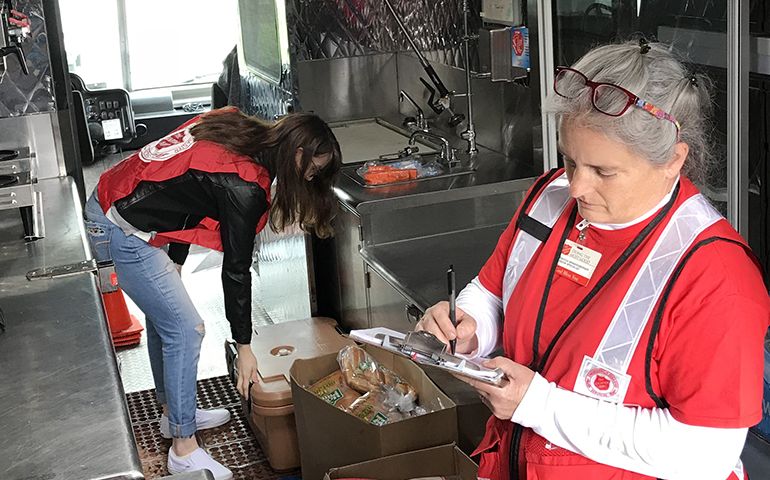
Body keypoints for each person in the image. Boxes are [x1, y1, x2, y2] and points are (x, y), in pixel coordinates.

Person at [417, 39, 770, 480]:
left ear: (673, 161)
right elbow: (493, 290)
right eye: (570, 160)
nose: (577, 188)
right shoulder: (551, 199)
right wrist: (468, 326)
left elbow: (704, 453)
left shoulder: (715, 278)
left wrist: (539, 405)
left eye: (604, 171)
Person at [84, 107, 341, 480]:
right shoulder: (245, 186)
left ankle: (175, 414)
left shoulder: (236, 125)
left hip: (118, 199)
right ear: (297, 152)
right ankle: (183, 450)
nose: (310, 177)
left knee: (167, 321)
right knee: (187, 329)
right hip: (120, 225)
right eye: (312, 169)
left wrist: (176, 259)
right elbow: (235, 270)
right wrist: (245, 348)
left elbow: (187, 191)